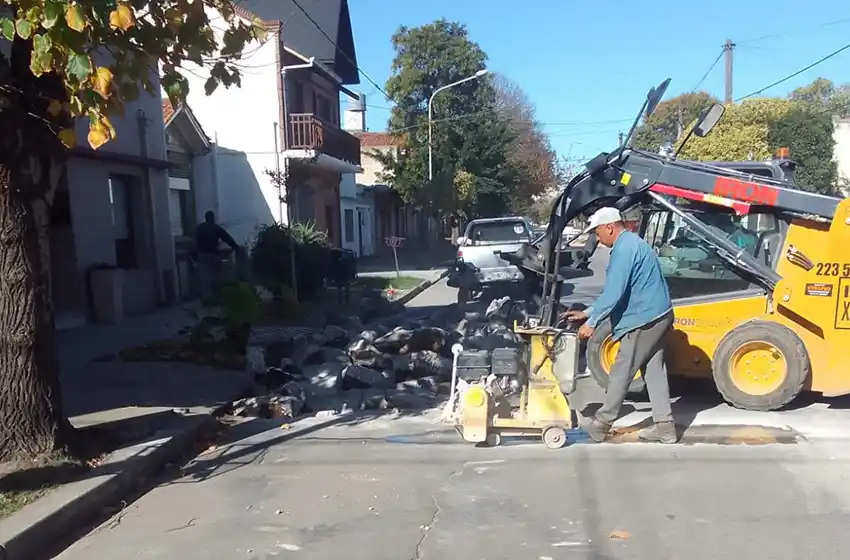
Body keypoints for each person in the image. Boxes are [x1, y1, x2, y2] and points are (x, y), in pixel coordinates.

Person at [562, 207, 677, 444]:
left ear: (609, 227)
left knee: (621, 371)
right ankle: (665, 428)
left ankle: (601, 425)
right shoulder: (633, 243)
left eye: (597, 233)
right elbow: (616, 294)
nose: (598, 239)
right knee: (654, 371)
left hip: (643, 319)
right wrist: (586, 313)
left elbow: (614, 293)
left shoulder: (623, 251)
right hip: (660, 314)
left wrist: (591, 323)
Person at [194, 211, 239, 299]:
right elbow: (227, 238)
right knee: (217, 274)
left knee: (205, 276)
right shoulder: (215, 228)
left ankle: (206, 296)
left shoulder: (199, 228)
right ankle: (216, 295)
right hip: (213, 254)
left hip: (202, 255)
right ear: (213, 218)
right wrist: (236, 247)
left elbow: (196, 242)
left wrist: (195, 256)